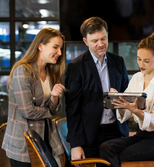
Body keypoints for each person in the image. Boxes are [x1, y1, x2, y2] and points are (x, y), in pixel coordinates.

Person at [99, 32, 154, 167]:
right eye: (138, 59)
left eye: (146, 61)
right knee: (106, 147)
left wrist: (136, 111)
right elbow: (125, 113)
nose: (141, 64)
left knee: (123, 155)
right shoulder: (137, 77)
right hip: (141, 135)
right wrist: (119, 103)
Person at [63, 17, 129, 161]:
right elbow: (72, 110)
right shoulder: (75, 67)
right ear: (85, 41)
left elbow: (127, 96)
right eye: (94, 41)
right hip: (89, 136)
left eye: (103, 39)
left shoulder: (119, 62)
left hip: (116, 131)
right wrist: (76, 145)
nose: (101, 44)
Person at [2, 27, 66, 167]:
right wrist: (48, 112)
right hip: (23, 144)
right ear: (40, 46)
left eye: (61, 48)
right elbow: (27, 111)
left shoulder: (50, 72)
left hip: (44, 139)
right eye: (55, 47)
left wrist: (54, 96)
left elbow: (55, 110)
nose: (59, 53)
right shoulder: (23, 71)